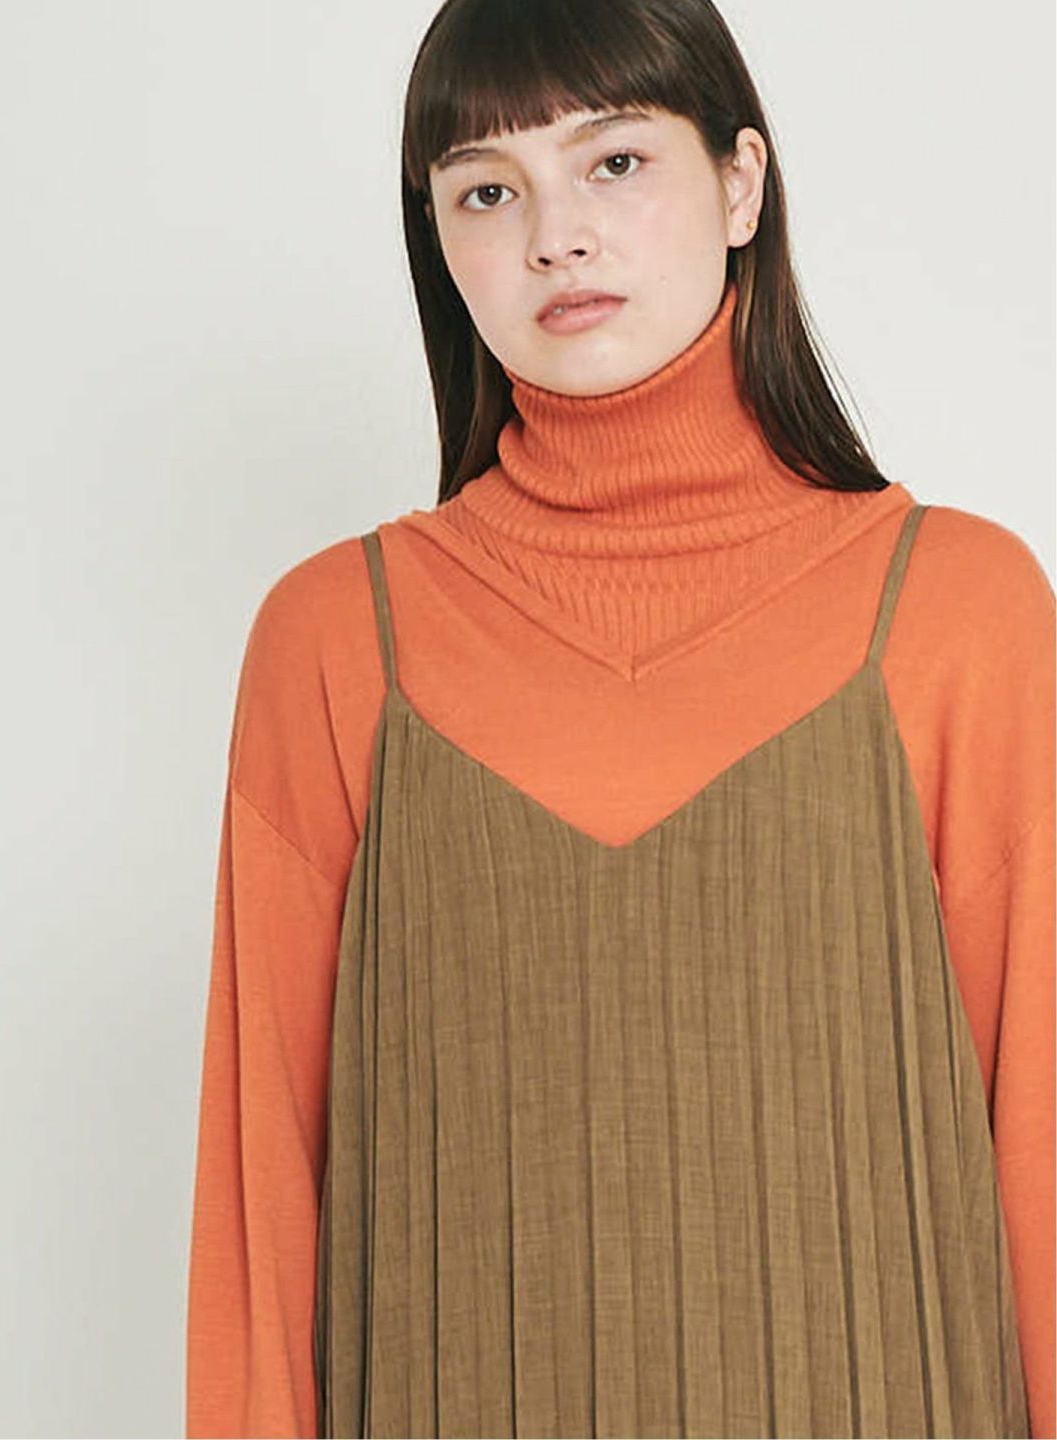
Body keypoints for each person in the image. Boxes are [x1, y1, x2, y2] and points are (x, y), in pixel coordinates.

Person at [185, 0, 1055, 1435]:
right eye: (487, 191)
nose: (556, 237)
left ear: (741, 184)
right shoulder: (337, 640)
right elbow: (260, 1209)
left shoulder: (959, 609)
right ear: (437, 239)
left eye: (615, 162)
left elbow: (1043, 1148)